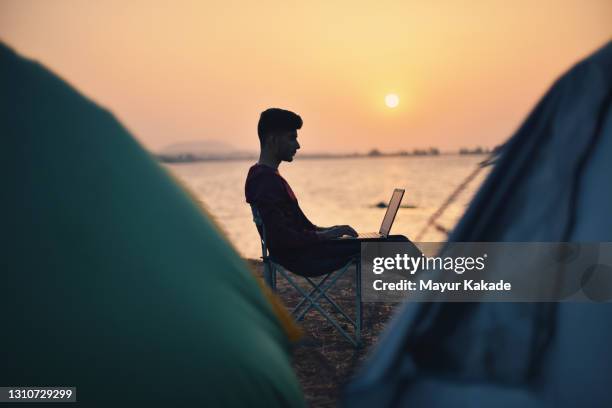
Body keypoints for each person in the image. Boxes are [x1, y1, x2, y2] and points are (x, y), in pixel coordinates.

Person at [245, 108, 417, 277]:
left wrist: (330, 230)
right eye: (292, 138)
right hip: (304, 257)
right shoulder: (264, 180)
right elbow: (281, 238)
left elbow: (298, 228)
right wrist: (326, 235)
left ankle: (434, 290)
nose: (297, 145)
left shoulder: (267, 176)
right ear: (272, 140)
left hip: (308, 251)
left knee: (396, 241)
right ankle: (437, 292)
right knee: (397, 244)